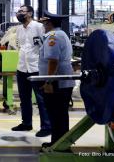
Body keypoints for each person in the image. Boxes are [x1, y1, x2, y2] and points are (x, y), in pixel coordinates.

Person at [11, 5, 51, 137]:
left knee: (41, 99)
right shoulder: (19, 29)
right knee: (24, 98)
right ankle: (26, 123)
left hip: (36, 68)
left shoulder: (39, 27)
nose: (19, 13)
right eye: (18, 11)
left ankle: (46, 126)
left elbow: (45, 46)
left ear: (30, 13)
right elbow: (20, 46)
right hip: (22, 67)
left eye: (21, 11)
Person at [38, 11, 75, 149]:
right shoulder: (60, 34)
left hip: (57, 82)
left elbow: (53, 61)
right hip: (60, 81)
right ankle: (59, 143)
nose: (43, 26)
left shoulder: (53, 37)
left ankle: (60, 145)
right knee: (59, 114)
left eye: (44, 23)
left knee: (57, 114)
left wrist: (48, 82)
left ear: (49, 23)